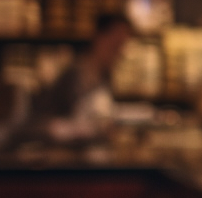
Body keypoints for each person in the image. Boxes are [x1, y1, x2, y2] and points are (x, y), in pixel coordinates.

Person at [30, 12, 132, 142]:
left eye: (122, 46)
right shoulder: (74, 74)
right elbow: (44, 123)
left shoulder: (105, 76)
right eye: (115, 46)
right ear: (100, 37)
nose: (120, 53)